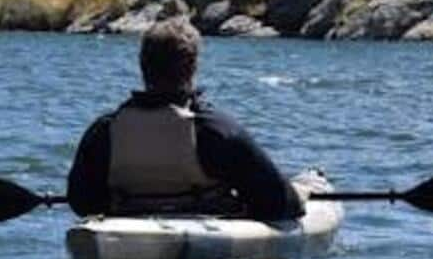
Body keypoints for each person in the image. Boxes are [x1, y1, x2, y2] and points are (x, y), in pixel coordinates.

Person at [66, 18, 304, 222]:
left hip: (128, 236)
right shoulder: (215, 131)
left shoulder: (104, 131)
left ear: (142, 66)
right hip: (205, 246)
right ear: (193, 67)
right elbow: (281, 204)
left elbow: (81, 203)